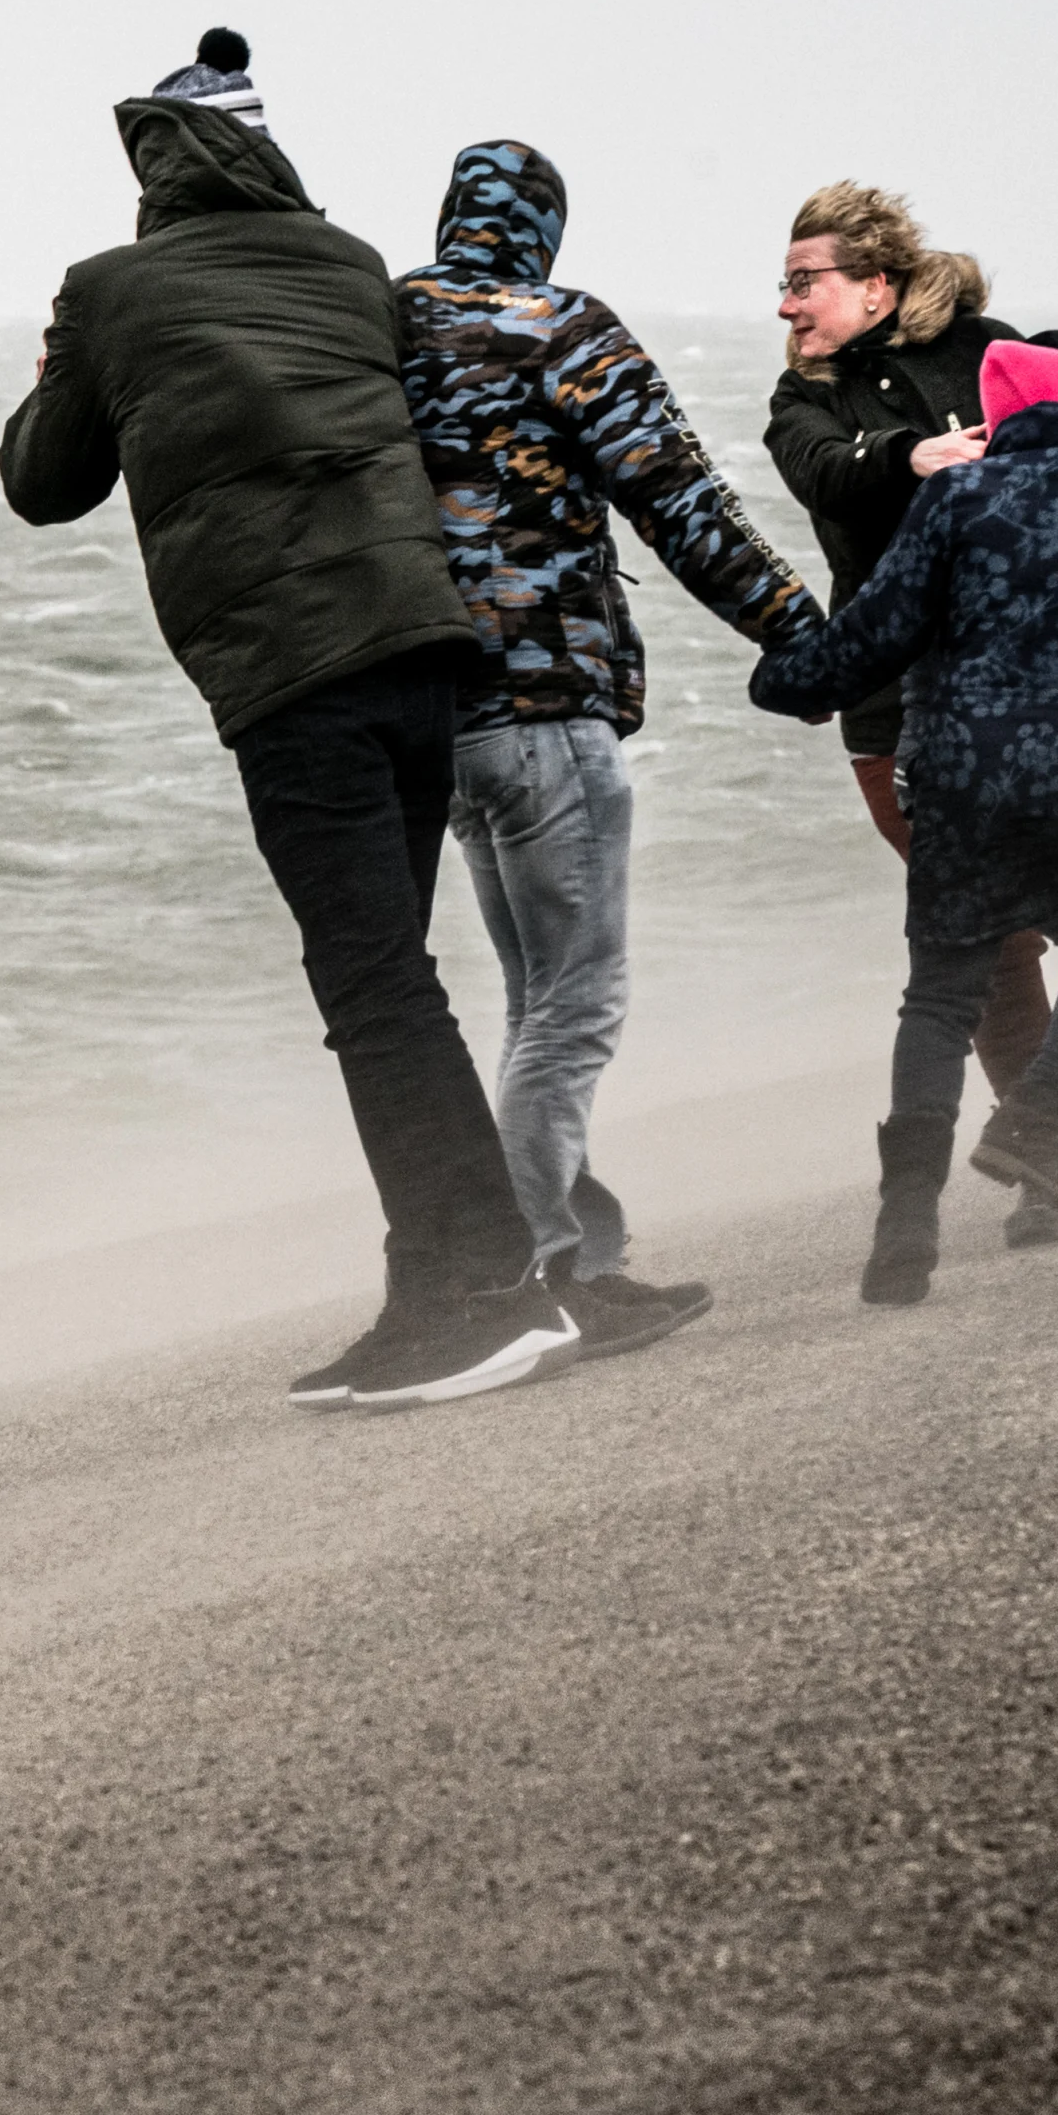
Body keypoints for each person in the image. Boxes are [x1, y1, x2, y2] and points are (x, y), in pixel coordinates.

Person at [0, 31, 580, 1411]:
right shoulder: (349, 263)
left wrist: (56, 356)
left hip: (294, 665)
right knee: (394, 979)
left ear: (151, 161)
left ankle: (497, 1294)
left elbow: (41, 479)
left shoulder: (111, 290)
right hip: (424, 646)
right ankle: (433, 1290)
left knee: (374, 988)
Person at [393, 140, 824, 1353]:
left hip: (444, 731)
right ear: (542, 231)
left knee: (535, 1003)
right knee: (574, 1011)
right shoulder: (559, 325)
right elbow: (681, 501)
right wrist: (800, 633)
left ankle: (586, 1255)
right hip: (547, 716)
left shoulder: (384, 329)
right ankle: (540, 1273)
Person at [751, 341, 1058, 1301]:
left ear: (1001, 419)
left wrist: (784, 681)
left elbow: (882, 627)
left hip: (964, 785)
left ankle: (903, 1245)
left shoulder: (956, 498)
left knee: (939, 1001)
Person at [762, 182, 1058, 1244]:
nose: (787, 306)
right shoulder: (804, 402)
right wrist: (912, 455)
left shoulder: (995, 347)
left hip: (1038, 680)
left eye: (806, 282)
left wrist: (1053, 448)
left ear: (878, 283)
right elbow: (822, 477)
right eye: (783, 285)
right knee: (992, 938)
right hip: (897, 711)